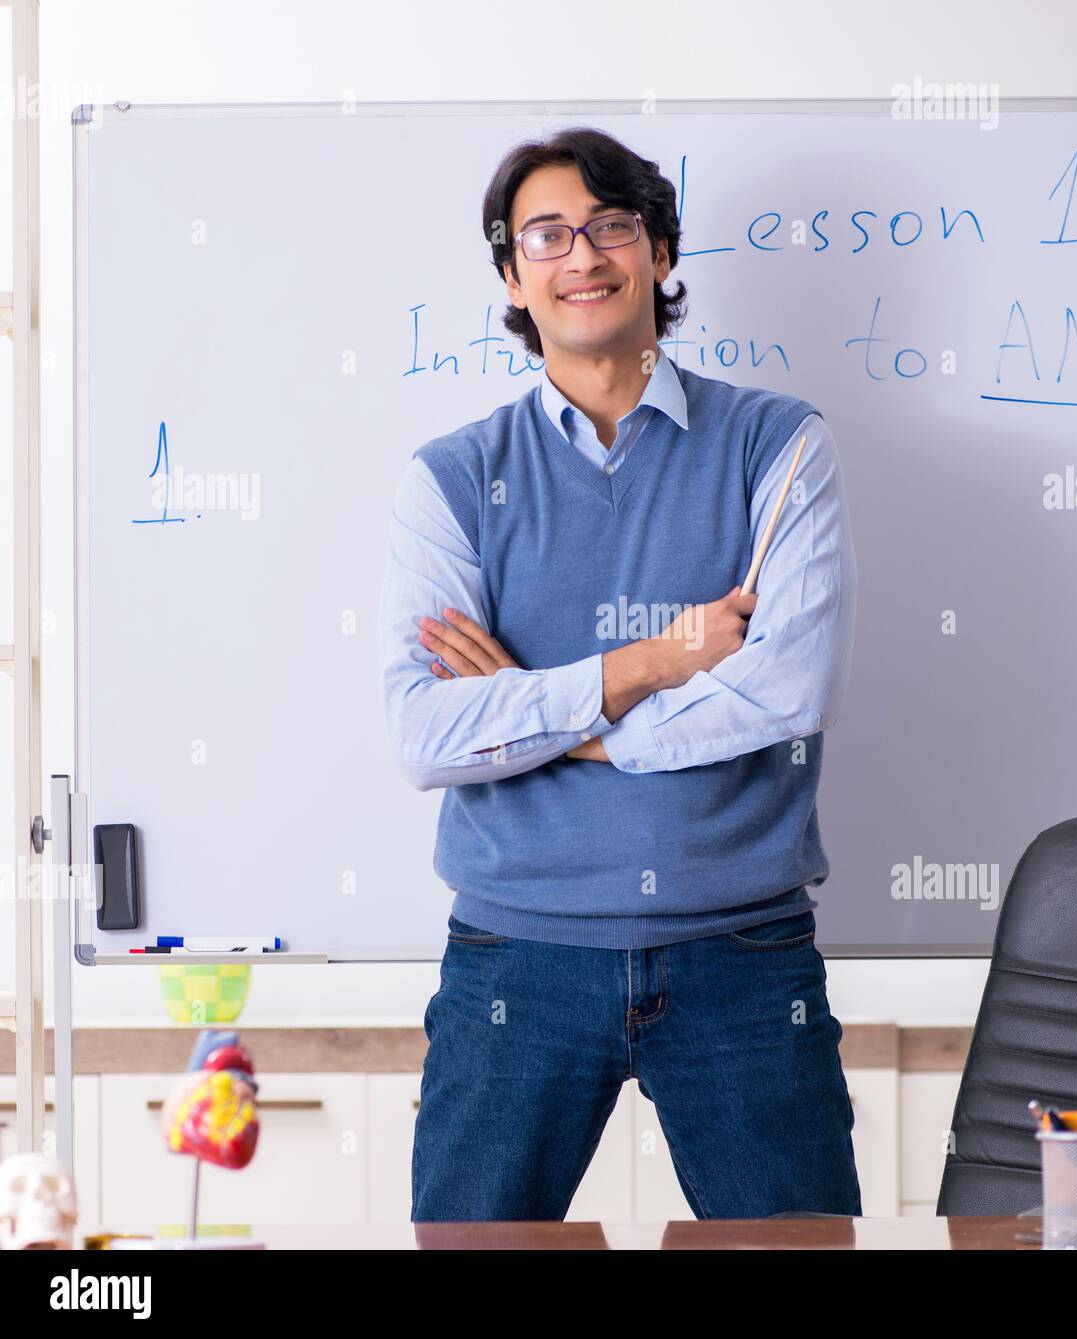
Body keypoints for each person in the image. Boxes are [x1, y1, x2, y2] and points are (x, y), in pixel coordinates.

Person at [378, 126, 860, 1221]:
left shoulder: (778, 446)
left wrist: (549, 712)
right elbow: (424, 737)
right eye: (548, 233)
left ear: (659, 254)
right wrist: (655, 661)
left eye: (612, 226)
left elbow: (785, 692)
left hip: (741, 952)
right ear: (511, 273)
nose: (581, 255)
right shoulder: (451, 480)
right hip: (515, 962)